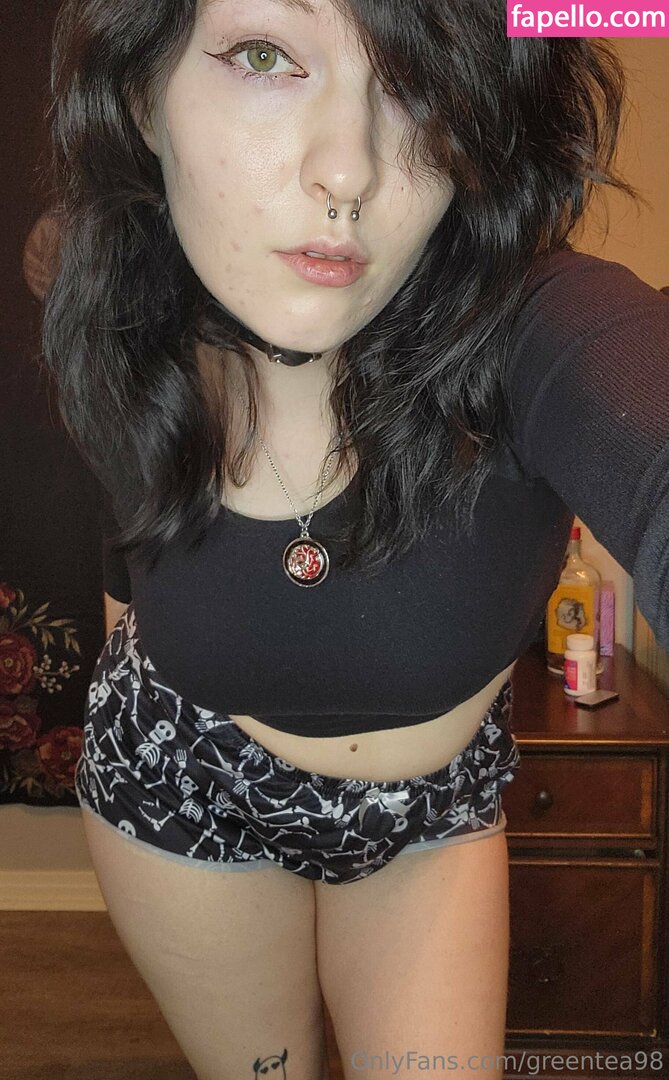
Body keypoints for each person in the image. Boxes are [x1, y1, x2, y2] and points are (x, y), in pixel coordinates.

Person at [40, 0, 669, 1077]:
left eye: (416, 82)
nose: (349, 171)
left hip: (429, 816)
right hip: (184, 778)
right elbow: (125, 539)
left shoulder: (540, 324)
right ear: (143, 96)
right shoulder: (118, 323)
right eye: (264, 55)